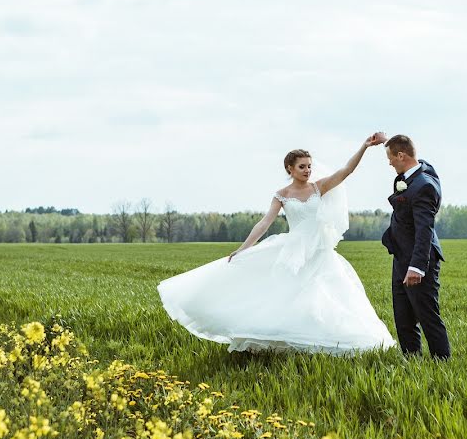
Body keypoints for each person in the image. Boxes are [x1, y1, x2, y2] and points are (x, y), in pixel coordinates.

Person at [157, 134, 396, 354]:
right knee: (289, 297)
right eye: (302, 166)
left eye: (309, 166)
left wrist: (364, 147)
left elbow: (346, 171)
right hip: (293, 251)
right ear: (290, 169)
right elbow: (264, 223)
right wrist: (244, 248)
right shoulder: (282, 194)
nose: (307, 170)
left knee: (326, 297)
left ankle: (326, 341)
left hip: (319, 251)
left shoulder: (318, 187)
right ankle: (285, 340)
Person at [378, 134, 451, 359]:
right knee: (403, 316)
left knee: (427, 315)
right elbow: (405, 148)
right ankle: (412, 361)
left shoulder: (424, 186)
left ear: (401, 156)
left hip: (419, 261)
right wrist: (386, 141)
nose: (389, 162)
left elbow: (424, 230)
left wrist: (417, 267)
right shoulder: (421, 169)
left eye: (390, 157)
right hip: (401, 256)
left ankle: (442, 363)